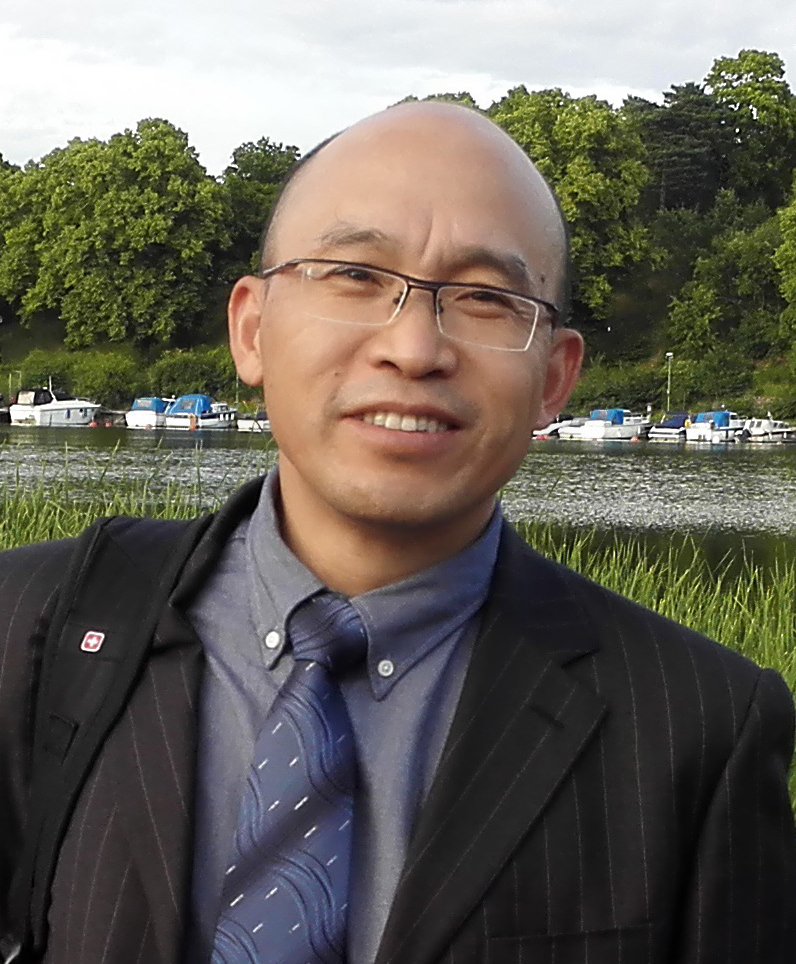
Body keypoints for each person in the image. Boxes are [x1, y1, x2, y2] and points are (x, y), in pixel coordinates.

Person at [1, 102, 795, 964]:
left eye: (487, 298)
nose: (414, 349)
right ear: (251, 329)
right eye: (354, 275)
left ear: (555, 377)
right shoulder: (31, 627)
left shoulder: (698, 726)